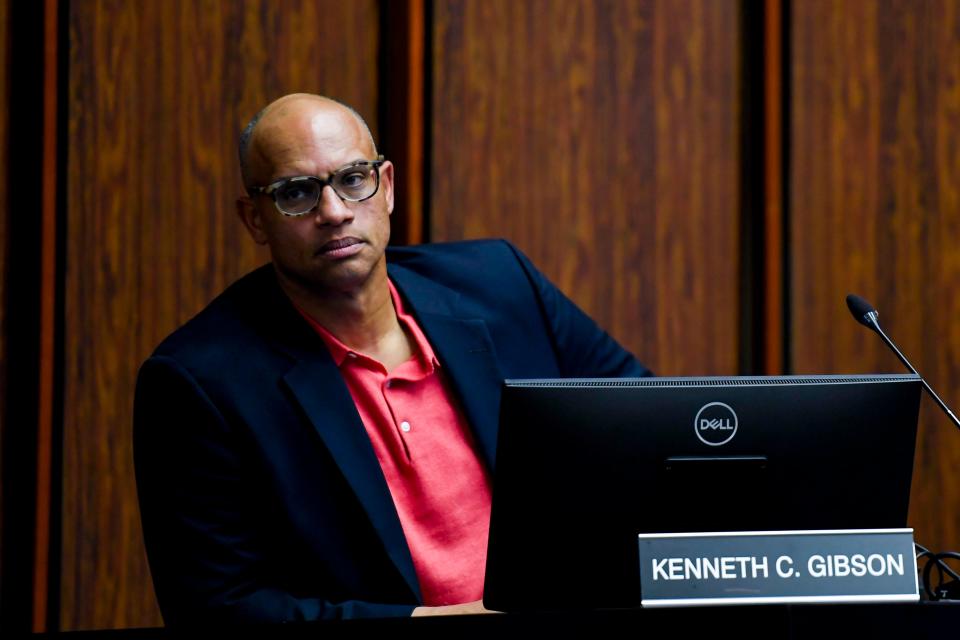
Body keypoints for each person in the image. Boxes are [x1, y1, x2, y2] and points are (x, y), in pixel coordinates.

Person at [133, 94, 650, 625]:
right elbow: (218, 610)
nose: (333, 212)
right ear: (256, 219)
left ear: (388, 187)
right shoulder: (198, 383)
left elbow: (650, 431)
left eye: (354, 179)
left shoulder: (502, 284)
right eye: (297, 193)